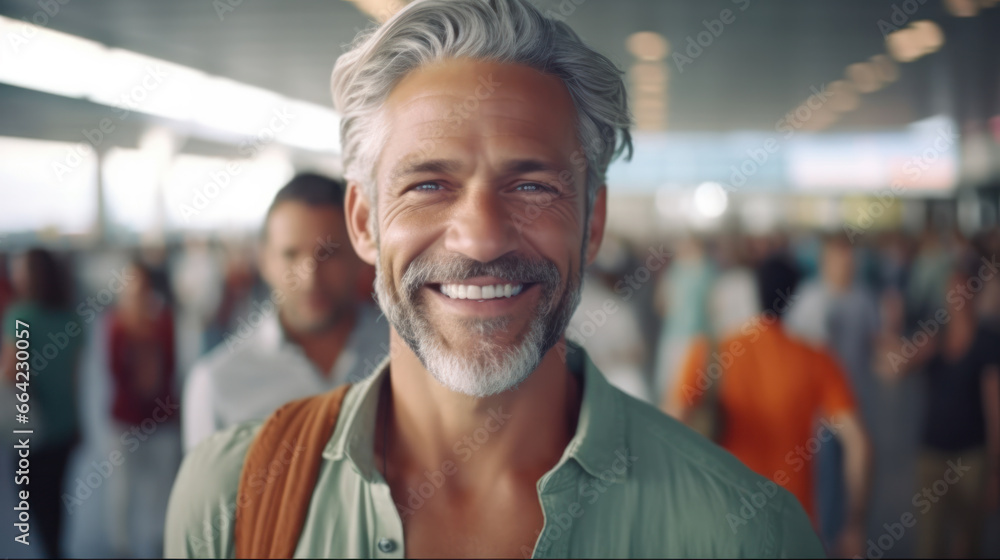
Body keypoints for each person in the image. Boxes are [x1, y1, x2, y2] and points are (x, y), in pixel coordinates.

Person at [165, 1, 824, 557]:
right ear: (364, 224)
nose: (480, 237)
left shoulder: (746, 532)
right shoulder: (231, 500)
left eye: (533, 185)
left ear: (592, 222)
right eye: (428, 184)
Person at [667, 254, 872, 558]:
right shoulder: (817, 360)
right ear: (794, 298)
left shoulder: (707, 354)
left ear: (753, 292)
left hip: (723, 526)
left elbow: (668, 432)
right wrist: (853, 525)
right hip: (793, 528)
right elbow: (859, 445)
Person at [181, 173, 389, 451]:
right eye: (291, 255)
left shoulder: (405, 354)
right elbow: (205, 495)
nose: (310, 279)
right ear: (264, 260)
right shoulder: (217, 384)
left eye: (328, 253)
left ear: (360, 254)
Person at [785, 234, 882, 549]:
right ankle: (822, 542)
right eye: (841, 258)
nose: (847, 264)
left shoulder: (863, 299)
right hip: (820, 417)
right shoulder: (809, 299)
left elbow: (875, 347)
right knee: (823, 489)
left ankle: (848, 536)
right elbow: (793, 351)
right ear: (827, 261)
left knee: (854, 479)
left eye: (851, 258)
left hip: (853, 406)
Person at [0, 249, 82, 558]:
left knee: (32, 499)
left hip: (30, 429)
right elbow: (75, 378)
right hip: (64, 424)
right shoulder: (70, 317)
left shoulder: (20, 316)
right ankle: (57, 548)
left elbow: (14, 373)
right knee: (57, 496)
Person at [106, 258, 181, 557]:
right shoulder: (116, 325)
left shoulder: (162, 322)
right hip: (126, 420)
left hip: (160, 418)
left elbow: (171, 366)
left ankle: (158, 539)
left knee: (161, 487)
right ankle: (121, 545)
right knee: (122, 488)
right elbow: (115, 371)